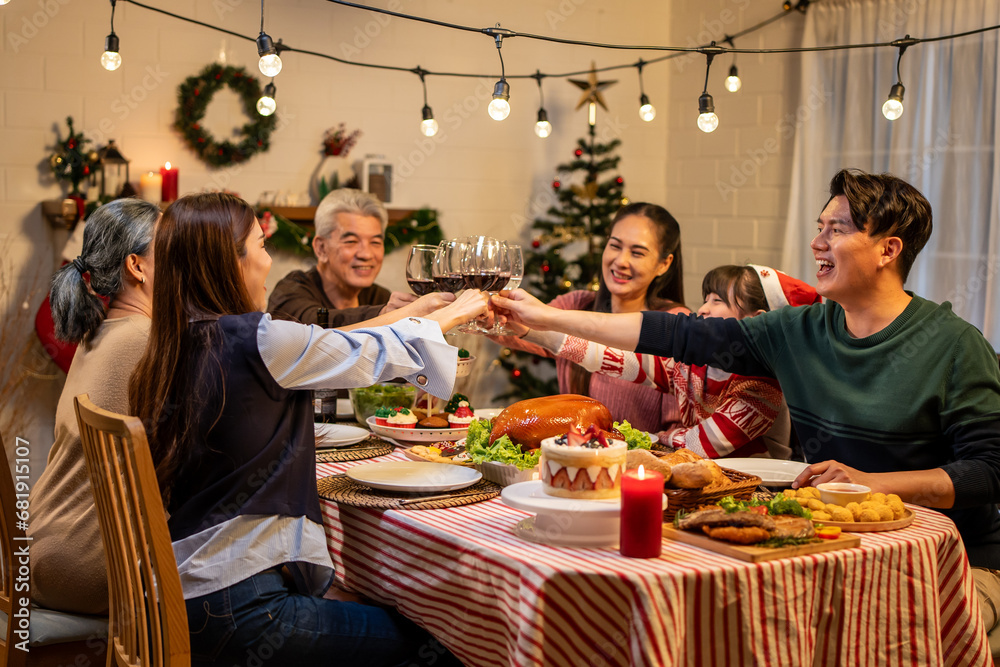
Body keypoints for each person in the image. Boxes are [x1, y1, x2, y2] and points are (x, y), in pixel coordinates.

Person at [494, 169, 1000, 647]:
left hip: (952, 561)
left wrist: (869, 482)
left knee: (893, 634)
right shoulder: (800, 331)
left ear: (889, 250)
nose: (817, 242)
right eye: (819, 227)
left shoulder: (954, 345)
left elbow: (989, 471)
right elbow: (677, 335)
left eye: (838, 229)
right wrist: (543, 317)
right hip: (833, 542)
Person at [128, 192, 485, 666]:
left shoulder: (175, 344)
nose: (269, 261)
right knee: (445, 646)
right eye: (261, 246)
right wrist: (456, 314)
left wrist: (426, 315)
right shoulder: (257, 339)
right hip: (242, 611)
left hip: (182, 594)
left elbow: (341, 341)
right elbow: (364, 355)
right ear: (228, 263)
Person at [506, 264, 820, 459]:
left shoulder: (762, 389)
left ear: (757, 322)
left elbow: (701, 445)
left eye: (718, 301)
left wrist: (637, 438)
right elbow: (614, 360)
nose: (702, 309)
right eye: (705, 298)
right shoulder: (695, 366)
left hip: (759, 492)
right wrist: (534, 332)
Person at [28, 198, 160, 615]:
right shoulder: (145, 339)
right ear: (137, 266)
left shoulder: (101, 330)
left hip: (42, 550)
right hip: (89, 569)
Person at [494, 202, 690, 440]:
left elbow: (677, 430)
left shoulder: (673, 325)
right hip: (573, 463)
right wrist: (484, 312)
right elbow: (515, 329)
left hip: (637, 467)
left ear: (664, 264)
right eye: (614, 246)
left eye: (637, 252)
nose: (621, 261)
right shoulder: (577, 304)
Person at [267, 188, 420, 327]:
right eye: (351, 241)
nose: (366, 254)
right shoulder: (290, 291)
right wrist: (383, 315)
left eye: (375, 242)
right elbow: (312, 326)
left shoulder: (379, 297)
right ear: (321, 248)